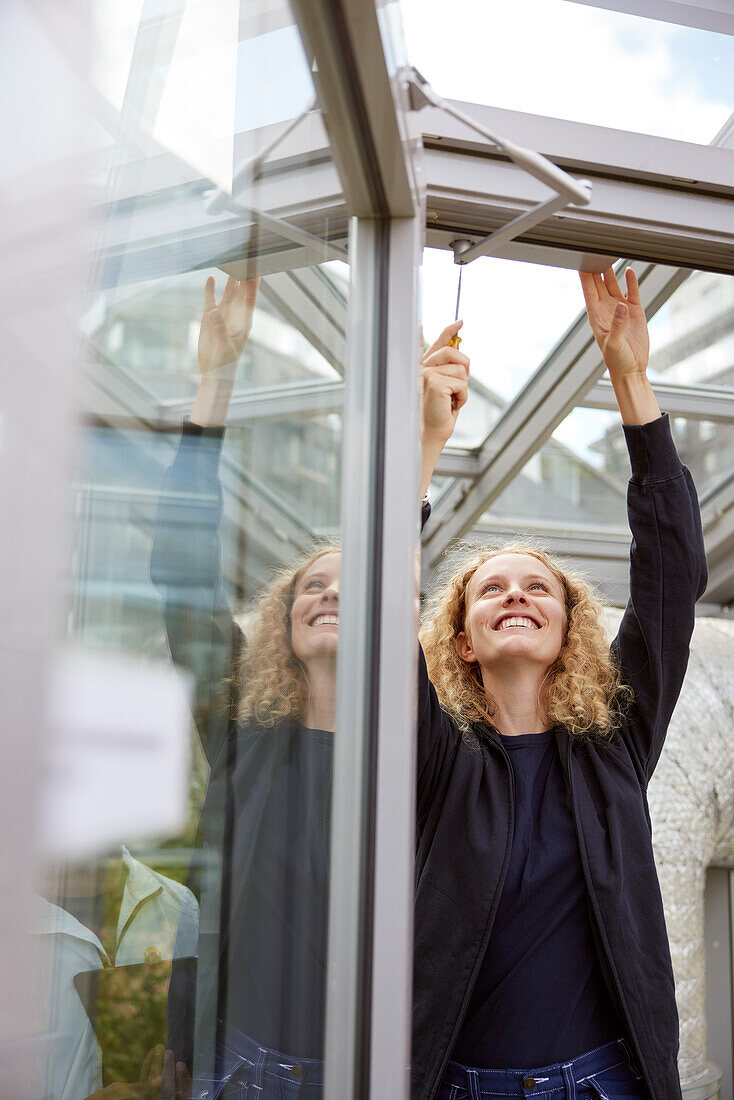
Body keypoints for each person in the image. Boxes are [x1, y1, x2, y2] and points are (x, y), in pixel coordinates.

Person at [149, 274, 469, 1100]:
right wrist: (213, 381)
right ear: (282, 629)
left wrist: (424, 451)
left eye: (348, 582)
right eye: (308, 588)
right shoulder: (241, 736)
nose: (327, 592)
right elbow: (178, 566)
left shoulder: (422, 754)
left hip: (379, 1076)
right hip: (242, 1066)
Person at [414, 267, 707, 1100]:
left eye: (538, 587)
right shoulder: (436, 759)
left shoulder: (615, 743)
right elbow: (376, 621)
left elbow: (671, 576)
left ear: (569, 629)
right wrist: (424, 448)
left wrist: (630, 379)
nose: (516, 593)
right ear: (463, 642)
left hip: (602, 1085)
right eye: (491, 589)